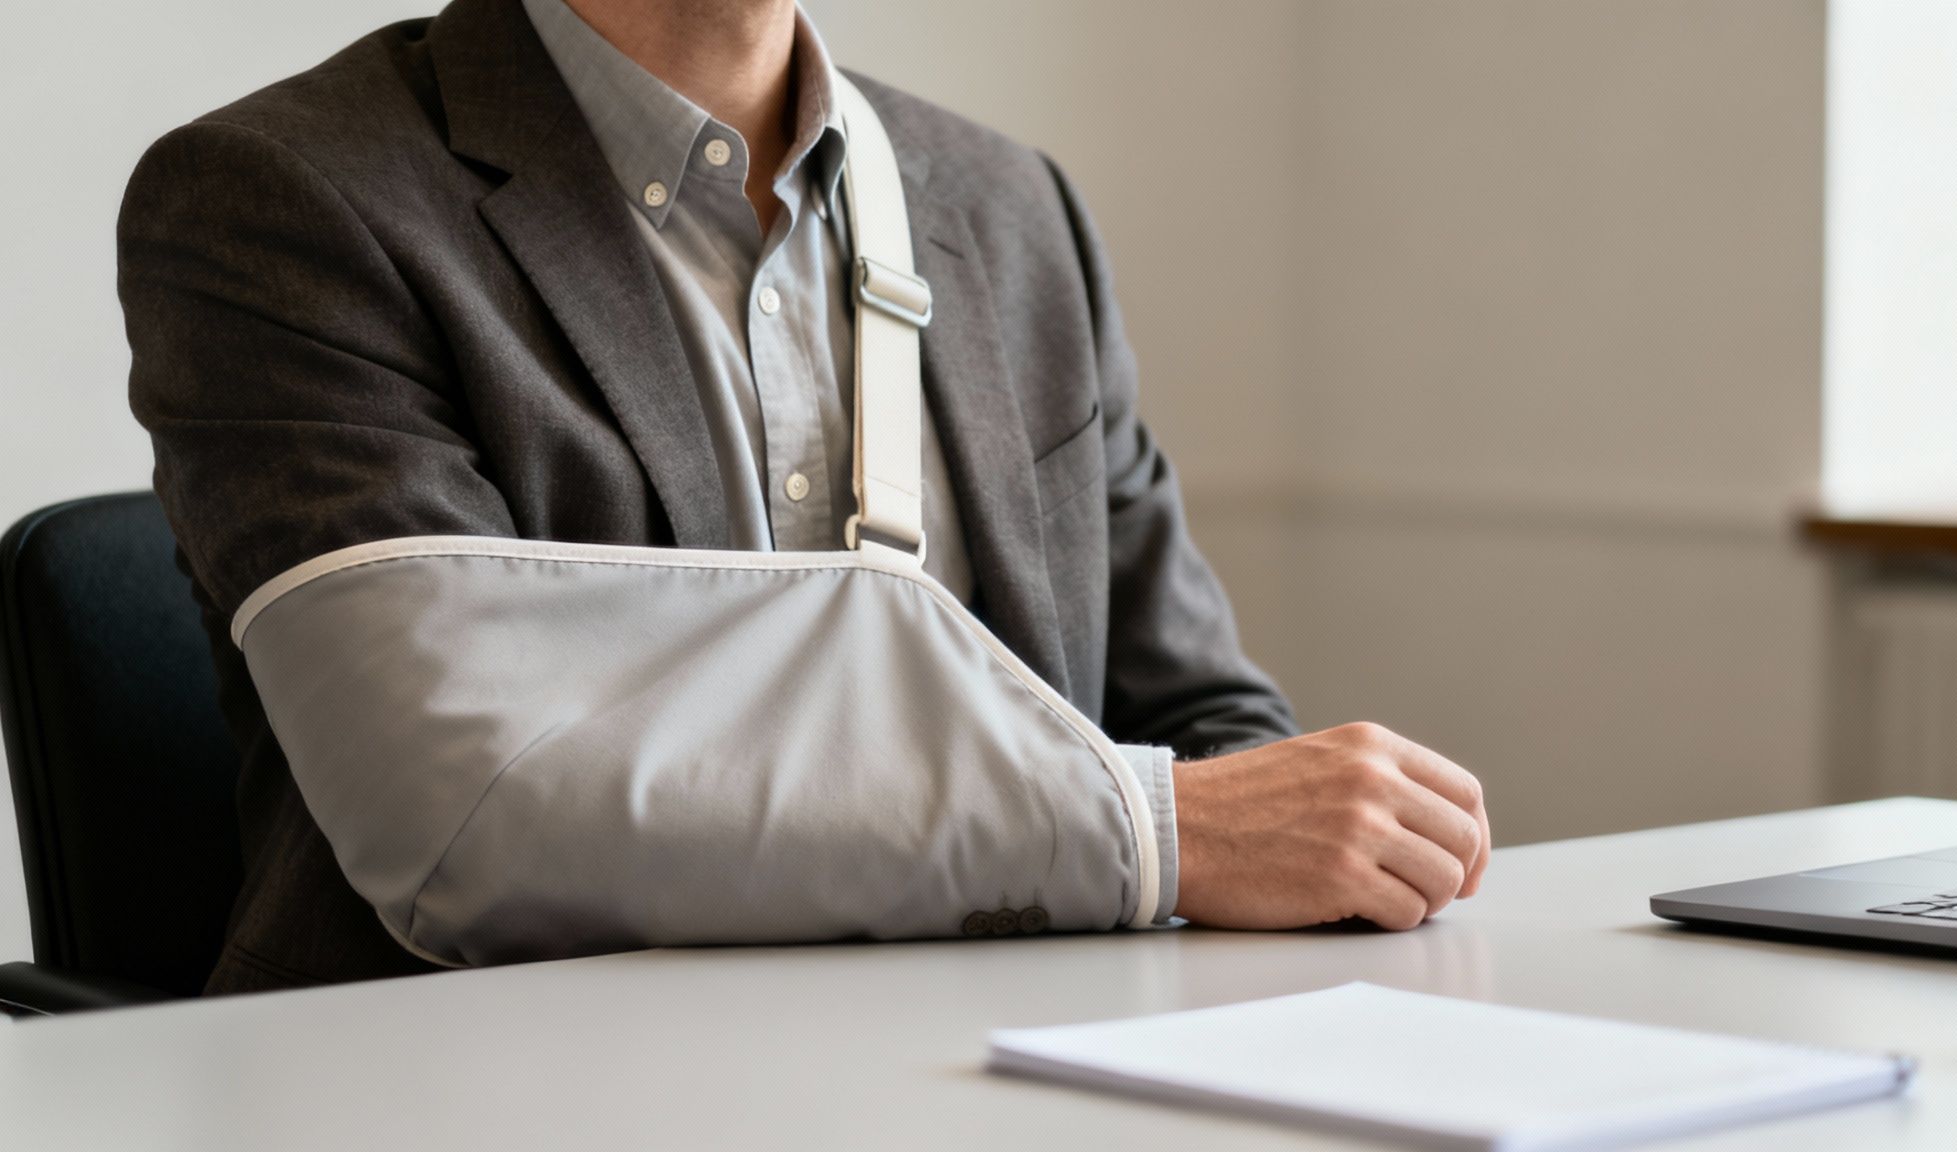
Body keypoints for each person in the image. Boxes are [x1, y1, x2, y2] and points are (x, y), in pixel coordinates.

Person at [119, 0, 1491, 995]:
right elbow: (475, 807)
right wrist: (1156, 838)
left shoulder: (1013, 213)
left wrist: (1319, 854)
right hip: (475, 1083)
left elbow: (1199, 723)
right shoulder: (281, 198)